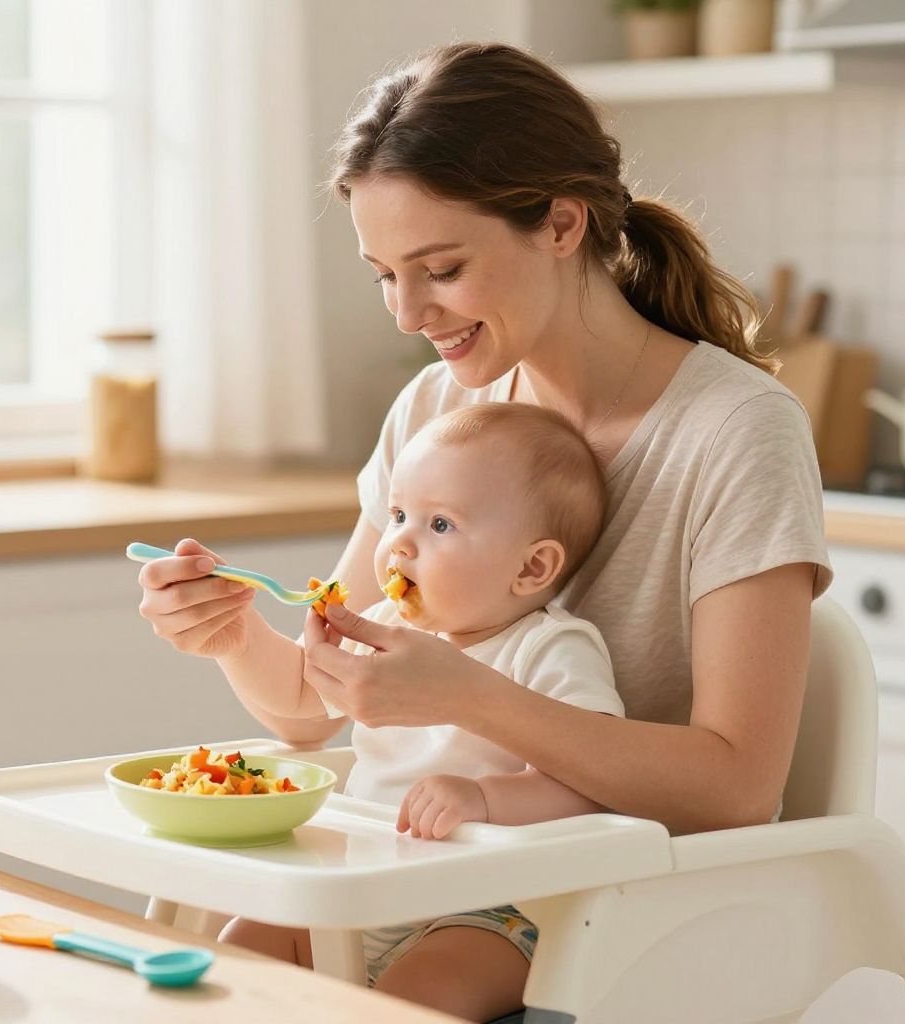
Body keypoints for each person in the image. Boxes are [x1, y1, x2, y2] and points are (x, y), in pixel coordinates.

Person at [136, 41, 831, 1022]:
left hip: (613, 908)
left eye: (442, 269)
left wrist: (469, 695)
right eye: (384, 275)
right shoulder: (434, 415)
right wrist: (230, 632)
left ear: (560, 223)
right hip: (418, 873)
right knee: (214, 985)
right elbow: (310, 704)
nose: (407, 313)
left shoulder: (736, 431)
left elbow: (737, 789)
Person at [211, 399, 626, 1007]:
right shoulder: (385, 623)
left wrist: (484, 798)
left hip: (487, 913)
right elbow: (302, 695)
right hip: (362, 887)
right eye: (399, 513)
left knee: (418, 996)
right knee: (240, 949)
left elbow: (596, 780)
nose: (398, 545)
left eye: (439, 526)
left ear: (532, 566)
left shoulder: (549, 647)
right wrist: (239, 629)